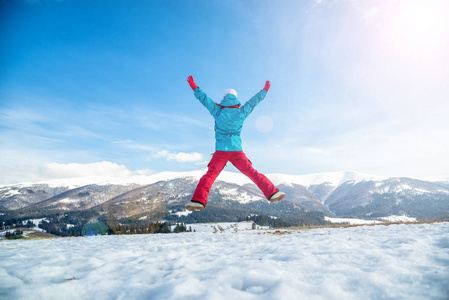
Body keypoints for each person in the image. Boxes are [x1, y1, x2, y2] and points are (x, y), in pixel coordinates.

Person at [184, 76, 286, 211]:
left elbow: (204, 99)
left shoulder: (217, 111)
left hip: (221, 151)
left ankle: (198, 200)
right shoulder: (241, 112)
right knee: (252, 173)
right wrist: (264, 90)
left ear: (224, 98)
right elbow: (253, 102)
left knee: (210, 175)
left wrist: (194, 86)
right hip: (237, 151)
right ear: (235, 99)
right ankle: (272, 192)